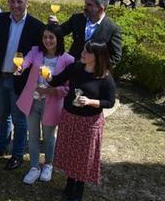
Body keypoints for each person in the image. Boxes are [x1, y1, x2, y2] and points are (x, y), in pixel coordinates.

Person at [0, 0, 44, 170]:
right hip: (0, 76)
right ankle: (1, 147)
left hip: (20, 80)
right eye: (12, 2)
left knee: (19, 119)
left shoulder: (36, 26)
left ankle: (17, 155)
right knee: (2, 115)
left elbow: (42, 53)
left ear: (27, 3)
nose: (15, 5)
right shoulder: (2, 19)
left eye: (19, 2)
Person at [48, 40, 117, 201]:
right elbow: (55, 81)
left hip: (89, 123)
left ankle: (77, 193)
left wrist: (91, 102)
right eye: (84, 49)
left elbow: (110, 102)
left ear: (97, 56)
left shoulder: (105, 77)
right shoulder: (76, 67)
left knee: (84, 157)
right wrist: (45, 73)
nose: (82, 53)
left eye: (87, 52)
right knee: (71, 152)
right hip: (69, 117)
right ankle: (68, 188)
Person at [15, 24, 74, 185]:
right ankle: (34, 167)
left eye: (51, 37)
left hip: (52, 104)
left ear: (58, 39)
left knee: (48, 137)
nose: (47, 40)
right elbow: (26, 61)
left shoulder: (68, 60)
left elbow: (68, 88)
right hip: (32, 101)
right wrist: (21, 66)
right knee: (33, 136)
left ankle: (48, 164)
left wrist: (50, 91)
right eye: (45, 37)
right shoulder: (36, 52)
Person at [51, 0, 123, 68]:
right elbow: (59, 32)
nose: (85, 7)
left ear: (101, 8)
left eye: (89, 5)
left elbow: (116, 56)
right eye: (85, 3)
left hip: (93, 74)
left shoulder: (112, 28)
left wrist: (97, 67)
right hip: (72, 67)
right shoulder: (77, 19)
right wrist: (53, 27)